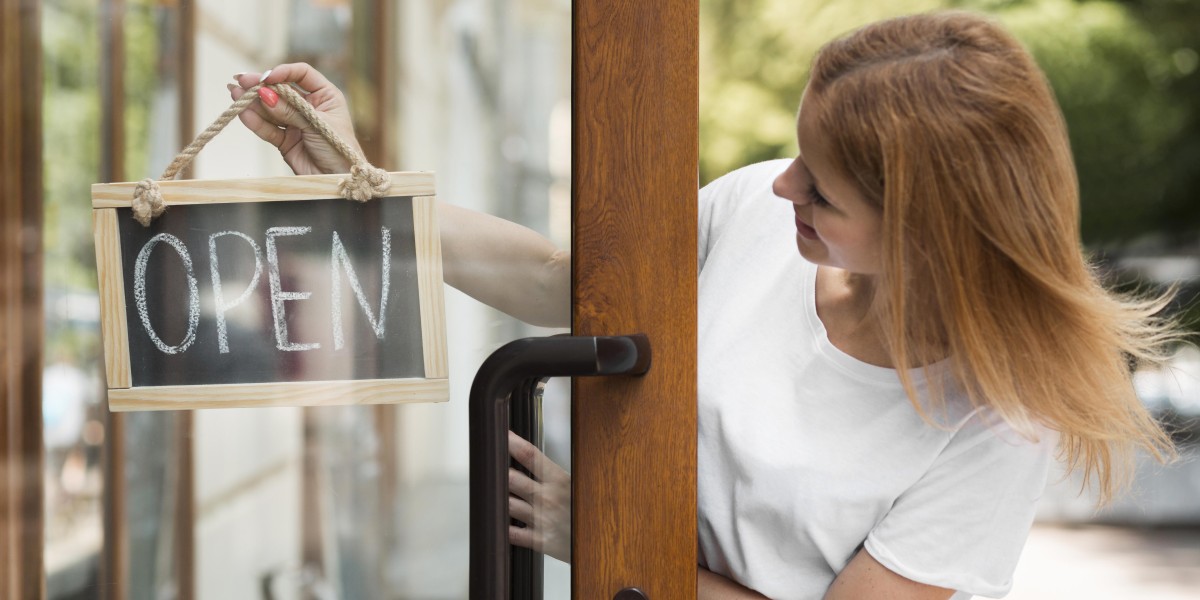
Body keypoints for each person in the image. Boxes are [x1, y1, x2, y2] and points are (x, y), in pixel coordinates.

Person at [231, 10, 1181, 599]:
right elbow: (561, 281)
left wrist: (610, 534)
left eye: (822, 190)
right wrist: (356, 180)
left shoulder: (999, 422)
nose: (782, 186)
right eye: (799, 154)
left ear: (927, 233)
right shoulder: (759, 211)